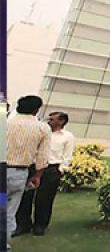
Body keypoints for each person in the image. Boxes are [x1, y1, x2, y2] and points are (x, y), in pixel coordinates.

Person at [16, 112, 75, 236]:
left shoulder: (67, 137)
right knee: (25, 197)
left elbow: (67, 155)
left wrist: (61, 169)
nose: (49, 121)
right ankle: (23, 224)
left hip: (51, 170)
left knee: (44, 199)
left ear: (61, 121)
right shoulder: (41, 131)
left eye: (52, 119)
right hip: (33, 167)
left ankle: (40, 225)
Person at [7, 96, 52, 240]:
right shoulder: (42, 128)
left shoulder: (5, 123)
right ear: (36, 110)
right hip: (19, 174)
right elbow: (42, 156)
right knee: (10, 211)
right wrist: (38, 175)